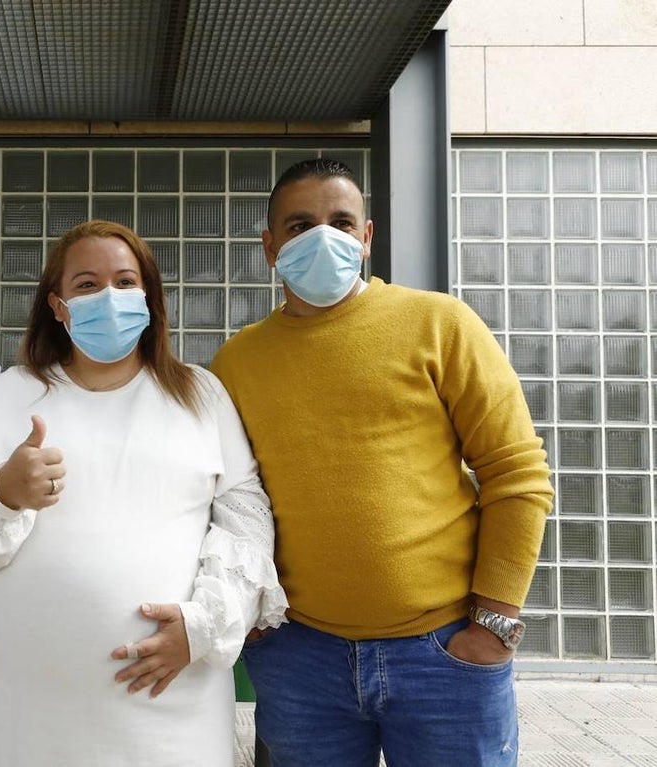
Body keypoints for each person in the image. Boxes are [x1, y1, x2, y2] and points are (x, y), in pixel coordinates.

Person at [210, 158, 554, 766]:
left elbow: (517, 476)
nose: (323, 237)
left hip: (445, 653)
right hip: (300, 661)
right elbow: (225, 497)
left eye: (342, 222)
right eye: (298, 225)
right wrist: (247, 607)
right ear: (269, 247)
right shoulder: (237, 362)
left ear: (366, 238)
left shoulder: (440, 324)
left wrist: (493, 625)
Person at [0, 219, 288, 767]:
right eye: (87, 285)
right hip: (37, 717)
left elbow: (247, 518)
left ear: (149, 296)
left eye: (125, 281)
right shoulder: (11, 394)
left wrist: (201, 627)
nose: (109, 297)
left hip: (172, 712)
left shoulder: (199, 394)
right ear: (58, 305)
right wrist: (3, 491)